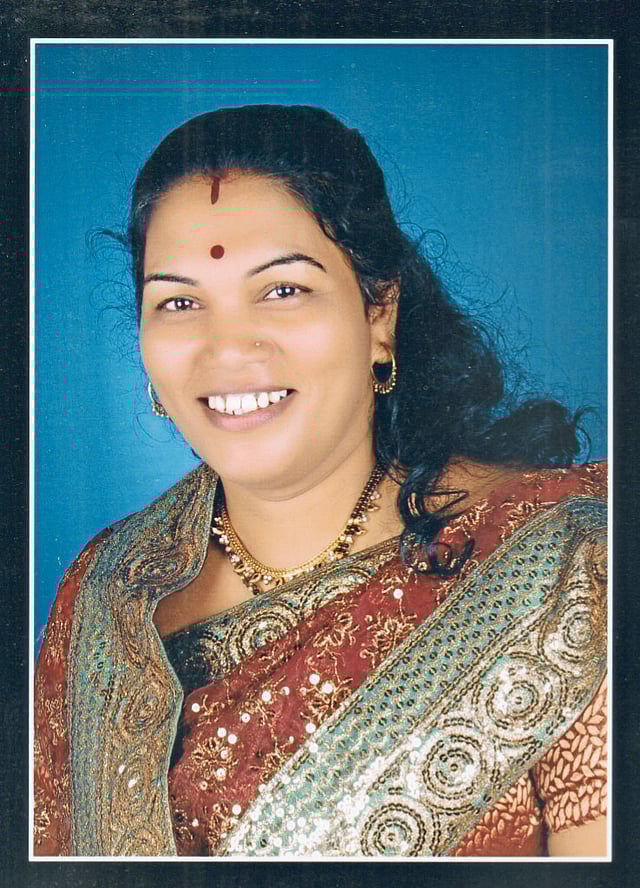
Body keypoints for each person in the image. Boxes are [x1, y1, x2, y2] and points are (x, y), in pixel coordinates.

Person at [33, 105, 607, 858]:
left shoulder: (570, 566)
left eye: (283, 290)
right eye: (179, 302)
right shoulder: (104, 592)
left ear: (379, 313)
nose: (227, 347)